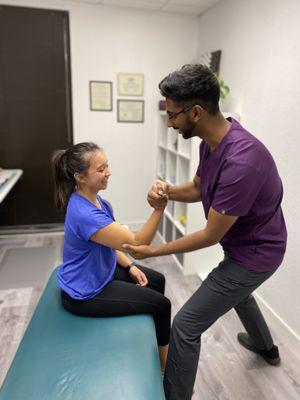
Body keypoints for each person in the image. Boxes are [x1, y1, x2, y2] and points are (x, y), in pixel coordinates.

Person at [123, 64, 287, 400]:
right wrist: (167, 192)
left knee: (185, 328)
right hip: (247, 245)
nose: (169, 122)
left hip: (256, 256)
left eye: (172, 115)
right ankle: (265, 347)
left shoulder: (242, 160)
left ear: (195, 112)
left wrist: (154, 250)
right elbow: (199, 187)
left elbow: (210, 234)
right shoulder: (210, 143)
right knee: (240, 294)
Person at [52, 142, 170, 371]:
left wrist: (130, 267)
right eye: (101, 169)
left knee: (157, 280)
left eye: (107, 166)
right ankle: (166, 371)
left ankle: (151, 340)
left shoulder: (98, 202)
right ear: (80, 176)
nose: (109, 173)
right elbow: (137, 243)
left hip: (100, 273)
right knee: (162, 305)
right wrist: (159, 208)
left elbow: (111, 244)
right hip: (84, 294)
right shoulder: (85, 213)